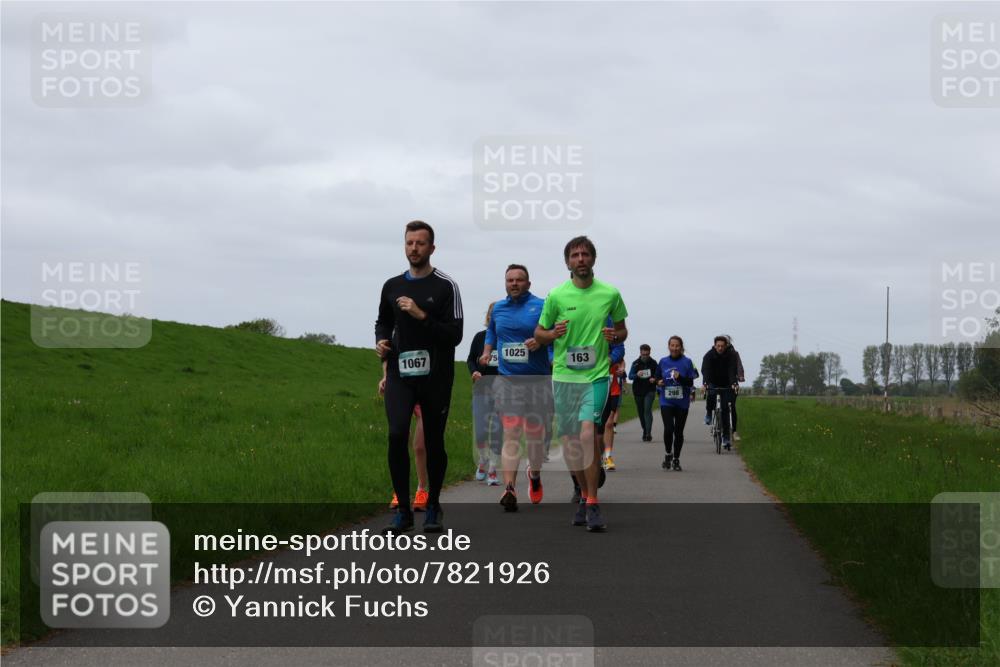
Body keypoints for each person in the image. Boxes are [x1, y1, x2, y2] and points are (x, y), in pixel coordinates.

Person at [375, 220, 463, 534]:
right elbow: (383, 322)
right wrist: (381, 342)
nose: (414, 248)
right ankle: (402, 509)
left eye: (421, 243)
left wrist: (421, 315)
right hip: (401, 373)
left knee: (434, 442)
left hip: (436, 376)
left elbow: (455, 335)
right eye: (410, 243)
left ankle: (433, 506)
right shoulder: (391, 286)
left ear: (432, 248)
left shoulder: (445, 286)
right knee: (397, 434)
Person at [535, 236, 628, 533]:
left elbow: (623, 329)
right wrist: (552, 335)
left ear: (593, 259)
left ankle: (593, 503)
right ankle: (583, 491)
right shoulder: (556, 296)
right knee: (571, 443)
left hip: (596, 376)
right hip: (564, 376)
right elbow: (539, 334)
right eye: (575, 255)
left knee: (588, 434)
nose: (580, 259)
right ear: (567, 262)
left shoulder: (610, 294)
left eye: (585, 254)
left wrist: (616, 335)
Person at [480, 264, 552, 511]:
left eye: (519, 280)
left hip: (538, 380)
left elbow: (553, 334)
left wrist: (541, 342)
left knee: (534, 437)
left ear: (528, 284)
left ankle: (534, 475)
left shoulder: (542, 306)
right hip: (507, 380)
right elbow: (491, 332)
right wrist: (487, 352)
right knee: (511, 433)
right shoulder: (499, 308)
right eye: (509, 280)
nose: (514, 284)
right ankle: (509, 487)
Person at [379, 360, 428, 510]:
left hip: (423, 388)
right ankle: (400, 492)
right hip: (400, 388)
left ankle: (422, 489)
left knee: (420, 446)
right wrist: (386, 377)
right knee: (399, 439)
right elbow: (388, 356)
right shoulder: (394, 336)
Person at [467, 304, 502, 484]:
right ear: (488, 317)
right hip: (482, 389)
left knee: (497, 431)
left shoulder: (507, 339)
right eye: (491, 315)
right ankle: (482, 460)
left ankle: (493, 470)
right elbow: (471, 359)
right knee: (481, 432)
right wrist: (474, 371)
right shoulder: (480, 338)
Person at [656, 336, 698, 471]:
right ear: (668, 346)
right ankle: (668, 453)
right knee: (668, 429)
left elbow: (690, 382)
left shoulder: (687, 362)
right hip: (666, 401)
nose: (674, 348)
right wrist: (658, 382)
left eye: (677, 346)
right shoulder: (663, 361)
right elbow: (657, 377)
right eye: (672, 345)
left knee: (678, 432)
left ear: (681, 347)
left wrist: (680, 377)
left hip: (682, 403)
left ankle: (676, 459)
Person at [702, 335, 739, 450]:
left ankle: (726, 438)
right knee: (711, 395)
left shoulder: (731, 355)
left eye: (722, 346)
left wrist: (733, 383)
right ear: (714, 345)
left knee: (725, 410)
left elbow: (732, 370)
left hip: (726, 383)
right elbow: (706, 370)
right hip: (712, 381)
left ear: (726, 346)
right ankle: (709, 413)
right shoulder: (708, 355)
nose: (720, 348)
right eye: (718, 346)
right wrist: (706, 383)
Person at [598, 352, 625, 471]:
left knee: (609, 424)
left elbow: (621, 360)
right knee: (597, 426)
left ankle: (608, 457)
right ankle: (597, 457)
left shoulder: (613, 346)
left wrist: (622, 368)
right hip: (595, 390)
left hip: (613, 391)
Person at [628, 344, 660, 441]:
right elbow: (630, 376)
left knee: (647, 410)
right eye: (643, 354)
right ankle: (645, 431)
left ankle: (648, 433)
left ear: (650, 353)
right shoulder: (635, 363)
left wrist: (654, 379)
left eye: (647, 354)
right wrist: (637, 374)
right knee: (641, 413)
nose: (645, 356)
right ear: (640, 353)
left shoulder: (654, 363)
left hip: (650, 390)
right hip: (638, 391)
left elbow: (659, 375)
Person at [724, 335, 746, 441]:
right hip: (719, 383)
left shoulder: (734, 354)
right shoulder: (716, 353)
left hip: (732, 383)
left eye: (726, 343)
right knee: (719, 405)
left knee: (732, 406)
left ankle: (734, 431)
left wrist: (740, 376)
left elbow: (739, 366)